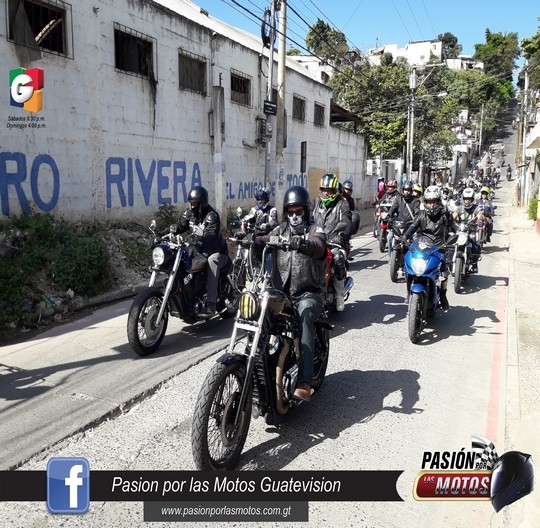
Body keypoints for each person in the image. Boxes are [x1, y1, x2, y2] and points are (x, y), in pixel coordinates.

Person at [255, 186, 327, 402]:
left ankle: (305, 381)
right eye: (291, 212)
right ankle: (257, 367)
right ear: (286, 212)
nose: (295, 216)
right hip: (283, 294)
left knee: (304, 312)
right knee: (258, 307)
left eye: (299, 212)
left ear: (306, 211)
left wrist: (304, 244)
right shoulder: (280, 230)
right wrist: (252, 239)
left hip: (309, 293)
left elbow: (319, 245)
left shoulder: (316, 229)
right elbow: (266, 239)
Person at [174, 185, 229, 317]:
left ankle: (211, 302)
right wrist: (160, 234)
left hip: (217, 252)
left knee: (212, 260)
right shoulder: (189, 214)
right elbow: (179, 226)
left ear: (202, 203)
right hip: (198, 250)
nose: (192, 207)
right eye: (191, 204)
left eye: (195, 204)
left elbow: (210, 235)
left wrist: (198, 245)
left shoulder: (211, 216)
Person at [402, 185, 455, 310]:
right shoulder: (421, 215)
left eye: (434, 202)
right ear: (425, 202)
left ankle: (442, 295)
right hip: (423, 247)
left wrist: (449, 240)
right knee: (408, 266)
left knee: (443, 273)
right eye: (429, 202)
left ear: (438, 202)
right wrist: (404, 236)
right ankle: (408, 293)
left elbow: (452, 229)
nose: (431, 205)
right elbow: (412, 227)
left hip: (439, 248)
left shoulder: (444, 215)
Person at [313, 173, 352, 311]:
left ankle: (339, 294)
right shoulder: (316, 203)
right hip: (318, 242)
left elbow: (346, 223)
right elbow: (309, 221)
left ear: (335, 191)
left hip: (336, 243)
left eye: (328, 190)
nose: (325, 193)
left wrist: (340, 236)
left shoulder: (342, 204)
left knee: (338, 259)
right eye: (323, 190)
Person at [452, 187, 482, 273]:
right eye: (465, 199)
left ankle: (474, 264)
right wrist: (451, 218)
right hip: (460, 230)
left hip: (471, 230)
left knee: (475, 246)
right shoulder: (460, 207)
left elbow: (480, 214)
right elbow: (454, 214)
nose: (467, 201)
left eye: (469, 199)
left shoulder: (476, 207)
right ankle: (448, 263)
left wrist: (480, 216)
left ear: (472, 199)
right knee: (450, 243)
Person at [387, 180, 420, 254]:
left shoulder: (415, 200)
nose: (407, 192)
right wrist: (389, 215)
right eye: (405, 190)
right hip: (399, 226)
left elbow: (417, 212)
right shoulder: (399, 199)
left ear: (411, 191)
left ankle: (413, 259)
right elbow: (393, 208)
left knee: (415, 239)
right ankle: (390, 257)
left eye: (408, 190)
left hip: (410, 226)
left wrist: (416, 220)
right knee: (389, 237)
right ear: (402, 190)